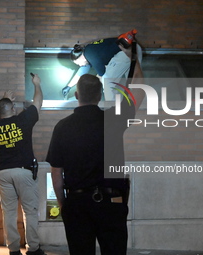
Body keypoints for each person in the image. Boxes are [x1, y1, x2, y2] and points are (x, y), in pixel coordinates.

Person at [47, 42, 144, 255]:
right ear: (100, 96)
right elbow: (139, 91)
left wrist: (64, 204)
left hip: (77, 203)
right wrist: (133, 60)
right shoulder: (113, 119)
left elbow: (56, 173)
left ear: (76, 96)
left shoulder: (62, 127)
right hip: (111, 203)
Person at [0, 74, 46, 255]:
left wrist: (3, 100)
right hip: (23, 172)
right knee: (30, 211)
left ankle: (13, 250)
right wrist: (36, 84)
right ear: (13, 108)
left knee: (9, 213)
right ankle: (33, 248)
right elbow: (37, 103)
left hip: (4, 174)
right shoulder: (22, 121)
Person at [62, 33, 142, 101]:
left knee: (107, 81)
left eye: (78, 63)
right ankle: (135, 103)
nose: (80, 65)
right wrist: (69, 86)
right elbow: (82, 71)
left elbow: (102, 75)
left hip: (125, 51)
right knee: (133, 81)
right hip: (134, 48)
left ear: (80, 57)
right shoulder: (89, 52)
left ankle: (112, 107)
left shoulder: (89, 53)